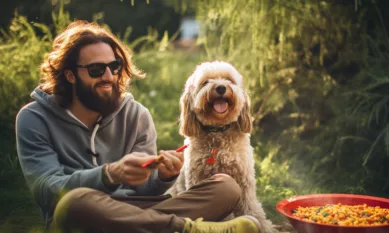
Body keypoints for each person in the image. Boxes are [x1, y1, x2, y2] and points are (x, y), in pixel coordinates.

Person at [15, 20, 260, 233]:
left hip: (141, 210)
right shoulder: (34, 118)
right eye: (96, 69)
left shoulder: (136, 114)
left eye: (114, 67)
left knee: (226, 187)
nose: (109, 76)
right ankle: (183, 229)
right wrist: (109, 175)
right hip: (82, 214)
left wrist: (164, 177)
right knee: (73, 202)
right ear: (70, 75)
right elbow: (47, 191)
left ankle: (145, 228)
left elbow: (146, 189)